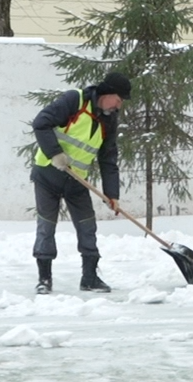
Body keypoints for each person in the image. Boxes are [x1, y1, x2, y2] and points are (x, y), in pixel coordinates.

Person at [31, 71, 129, 294]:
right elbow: (41, 123)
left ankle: (90, 278)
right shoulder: (75, 100)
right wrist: (55, 154)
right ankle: (44, 279)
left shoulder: (108, 120)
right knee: (46, 226)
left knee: (87, 226)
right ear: (108, 93)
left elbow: (108, 158)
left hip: (77, 181)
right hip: (48, 174)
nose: (119, 106)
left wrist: (112, 194)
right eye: (119, 100)